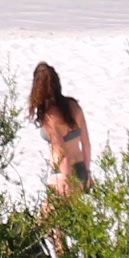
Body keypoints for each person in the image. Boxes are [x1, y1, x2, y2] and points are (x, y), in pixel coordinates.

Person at [28, 62, 95, 206]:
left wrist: (66, 179)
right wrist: (88, 173)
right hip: (81, 168)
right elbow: (86, 144)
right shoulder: (74, 106)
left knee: (48, 224)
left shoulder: (49, 116)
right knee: (70, 221)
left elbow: (61, 150)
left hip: (62, 174)